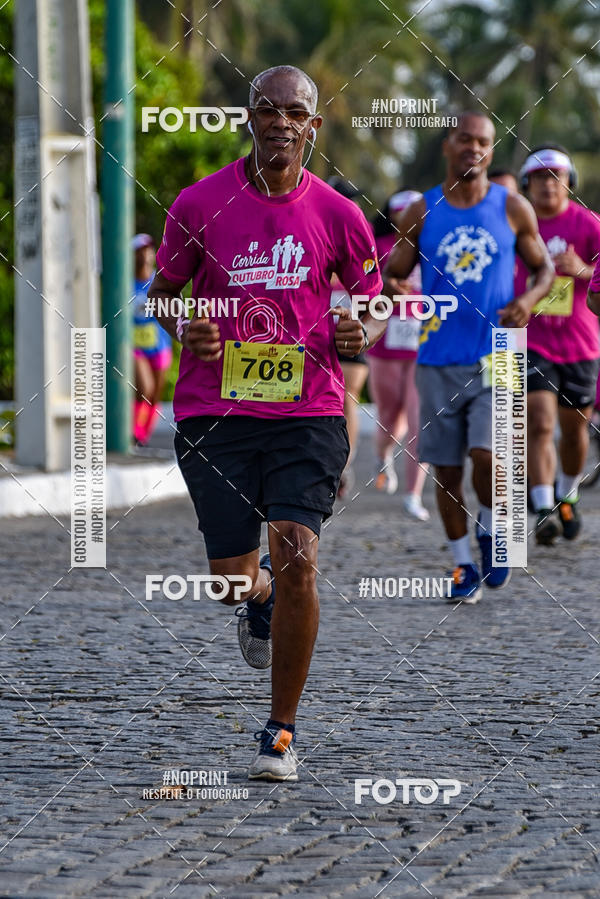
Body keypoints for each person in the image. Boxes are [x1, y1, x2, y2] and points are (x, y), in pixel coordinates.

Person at [148, 65, 385, 781]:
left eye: (294, 110)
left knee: (299, 552)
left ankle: (280, 730)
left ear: (314, 125)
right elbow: (163, 292)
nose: (279, 120)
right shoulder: (199, 202)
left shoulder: (339, 213)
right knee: (229, 580)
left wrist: (361, 331)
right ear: (247, 118)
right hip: (215, 412)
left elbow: (373, 297)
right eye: (265, 108)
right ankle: (258, 598)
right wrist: (185, 322)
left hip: (307, 411)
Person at [384, 111, 553, 603]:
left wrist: (527, 301)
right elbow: (393, 273)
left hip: (499, 351)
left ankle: (494, 524)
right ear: (448, 145)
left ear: (490, 151)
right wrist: (395, 288)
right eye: (464, 139)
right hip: (436, 356)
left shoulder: (513, 207)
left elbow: (543, 269)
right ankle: (462, 563)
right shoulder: (421, 209)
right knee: (447, 470)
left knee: (488, 456)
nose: (472, 148)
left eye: (482, 141)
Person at [516, 145, 600, 543]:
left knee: (574, 430)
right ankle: (544, 505)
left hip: (581, 344)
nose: (549, 184)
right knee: (539, 419)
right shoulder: (517, 225)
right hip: (530, 340)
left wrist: (582, 270)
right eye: (540, 177)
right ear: (527, 185)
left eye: (557, 176)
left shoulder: (588, 224)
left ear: (570, 183)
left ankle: (567, 494)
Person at [367, 190, 430, 520]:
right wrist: (387, 287)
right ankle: (383, 454)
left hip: (425, 343)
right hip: (385, 343)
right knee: (390, 417)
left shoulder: (436, 247)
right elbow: (361, 288)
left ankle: (413, 495)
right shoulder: (379, 247)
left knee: (420, 420)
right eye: (402, 213)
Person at [327, 176, 370, 499]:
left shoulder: (360, 234)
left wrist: (364, 327)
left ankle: (344, 463)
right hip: (312, 332)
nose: (351, 205)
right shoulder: (311, 224)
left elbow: (374, 292)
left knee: (348, 396)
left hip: (350, 329)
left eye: (353, 199)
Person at [132, 234, 173, 445]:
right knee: (144, 388)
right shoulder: (126, 284)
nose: (144, 255)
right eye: (139, 251)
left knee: (155, 394)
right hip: (135, 347)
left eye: (147, 250)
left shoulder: (159, 281)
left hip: (160, 345)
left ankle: (143, 436)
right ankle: (135, 431)